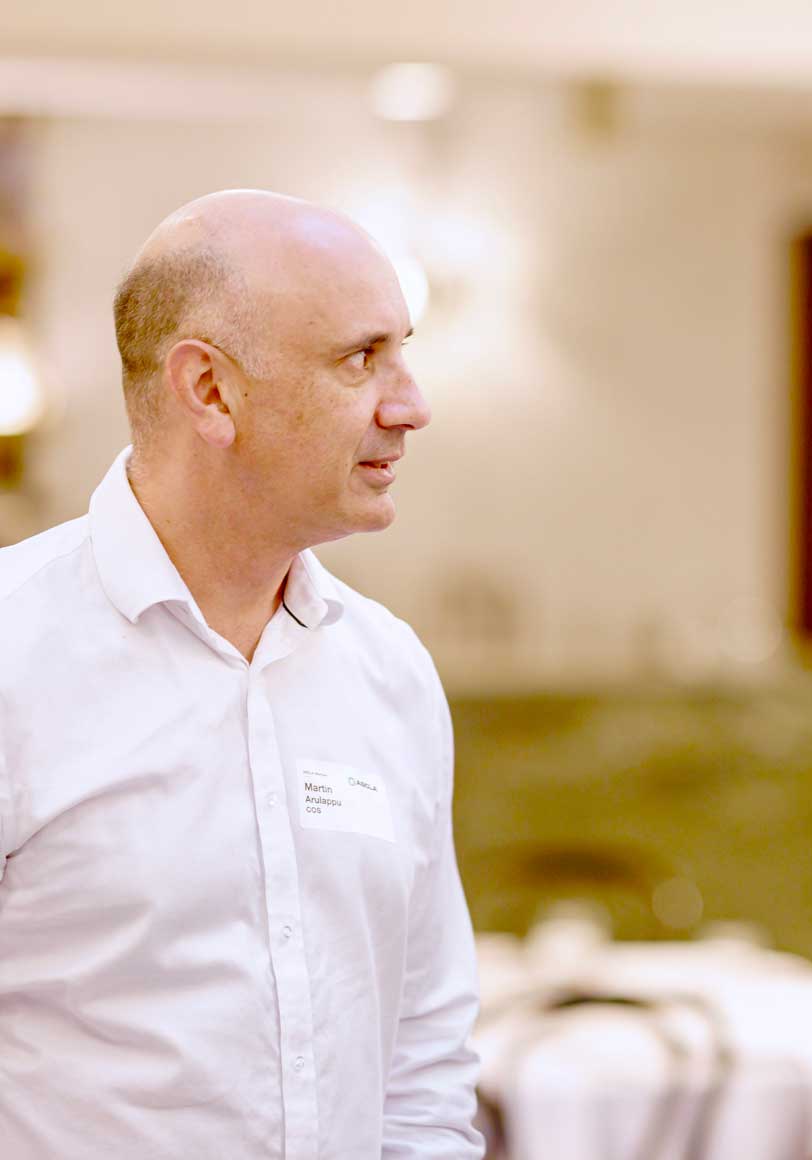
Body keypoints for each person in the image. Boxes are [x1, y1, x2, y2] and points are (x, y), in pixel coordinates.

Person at [0, 190, 483, 1157]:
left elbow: (422, 1057)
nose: (411, 405)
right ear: (211, 391)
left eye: (403, 351)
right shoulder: (16, 650)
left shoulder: (390, 671)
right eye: (362, 358)